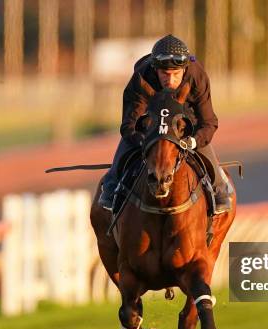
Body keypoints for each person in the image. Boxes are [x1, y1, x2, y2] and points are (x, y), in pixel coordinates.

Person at [99, 34, 233, 214]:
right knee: (124, 150)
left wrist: (192, 141)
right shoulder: (141, 77)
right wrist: (142, 140)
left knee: (211, 166)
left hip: (184, 122)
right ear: (155, 69)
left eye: (176, 74)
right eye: (164, 74)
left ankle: (218, 188)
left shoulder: (197, 76)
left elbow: (208, 122)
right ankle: (111, 184)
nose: (170, 80)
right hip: (151, 124)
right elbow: (129, 125)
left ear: (185, 70)